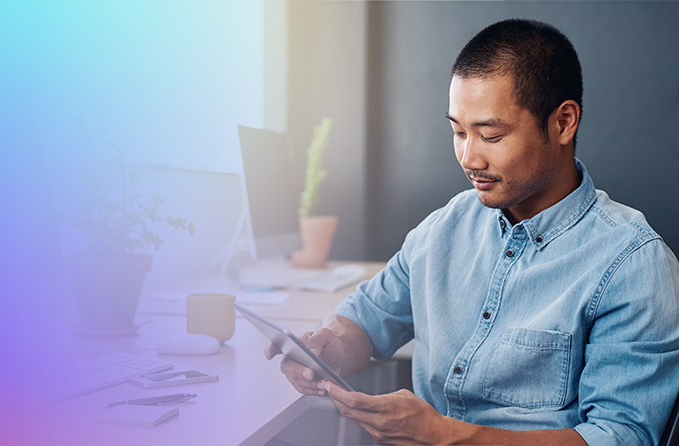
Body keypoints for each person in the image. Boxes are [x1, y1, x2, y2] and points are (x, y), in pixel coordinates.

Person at [265, 18, 679, 446]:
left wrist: (446, 436)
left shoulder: (633, 262)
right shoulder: (443, 229)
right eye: (458, 131)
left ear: (563, 122)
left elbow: (619, 437)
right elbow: (364, 320)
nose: (468, 157)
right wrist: (328, 347)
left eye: (490, 135)